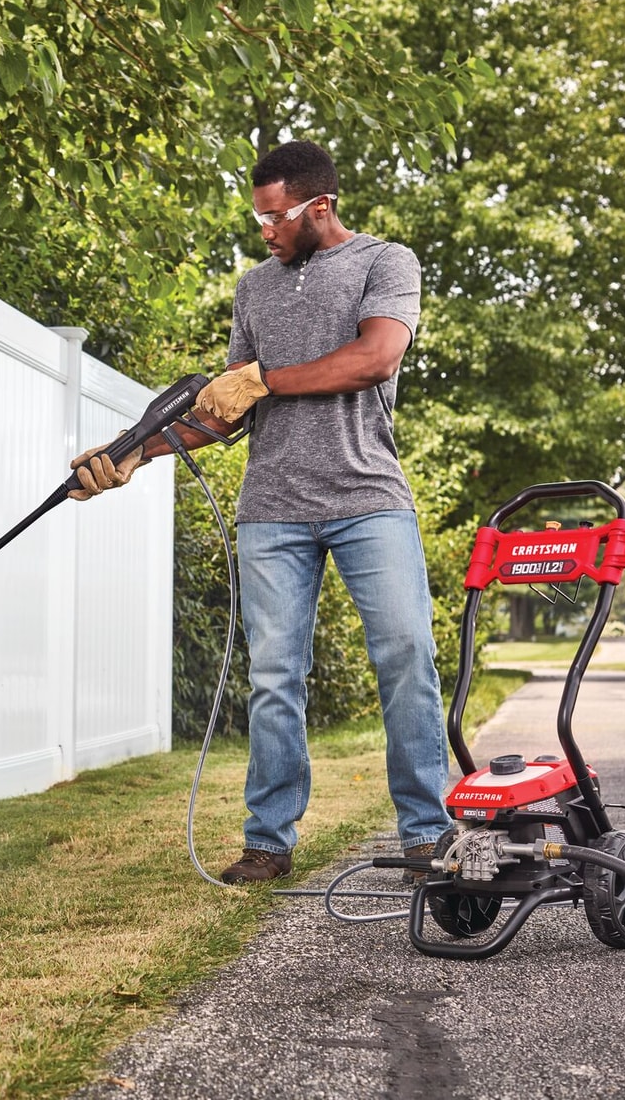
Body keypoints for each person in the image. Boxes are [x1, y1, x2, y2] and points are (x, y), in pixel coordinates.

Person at [71, 139, 451, 883]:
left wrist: (267, 380)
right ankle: (268, 842)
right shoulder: (256, 290)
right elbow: (224, 409)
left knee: (406, 655)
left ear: (321, 205)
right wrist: (131, 455)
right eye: (259, 218)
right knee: (275, 675)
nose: (266, 231)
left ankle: (426, 833)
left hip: (367, 498)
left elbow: (375, 358)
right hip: (271, 509)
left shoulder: (385, 262)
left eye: (276, 217)